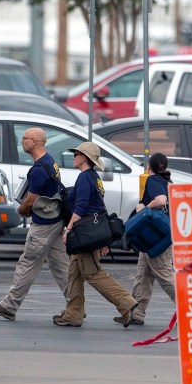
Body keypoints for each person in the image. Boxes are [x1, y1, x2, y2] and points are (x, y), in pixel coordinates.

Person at [53, 141, 138, 328]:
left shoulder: (84, 178)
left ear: (84, 158)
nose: (73, 156)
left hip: (84, 233)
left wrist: (69, 228)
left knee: (93, 274)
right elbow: (99, 207)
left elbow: (82, 206)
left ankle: (126, 303)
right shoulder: (94, 178)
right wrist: (102, 239)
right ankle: (74, 313)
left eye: (76, 154)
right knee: (74, 274)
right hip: (91, 231)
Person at [0, 128, 69, 321]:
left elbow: (31, 199)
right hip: (55, 220)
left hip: (43, 224)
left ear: (34, 142)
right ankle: (75, 304)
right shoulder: (49, 161)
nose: (22, 141)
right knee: (60, 265)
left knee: (28, 262)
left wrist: (22, 210)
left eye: (24, 138)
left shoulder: (39, 169)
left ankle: (9, 305)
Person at [113, 153, 176, 325]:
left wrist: (144, 207)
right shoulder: (168, 182)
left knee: (163, 275)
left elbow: (161, 200)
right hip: (155, 237)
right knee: (143, 275)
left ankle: (189, 308)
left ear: (150, 166)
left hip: (156, 239)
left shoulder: (153, 180)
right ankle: (136, 313)